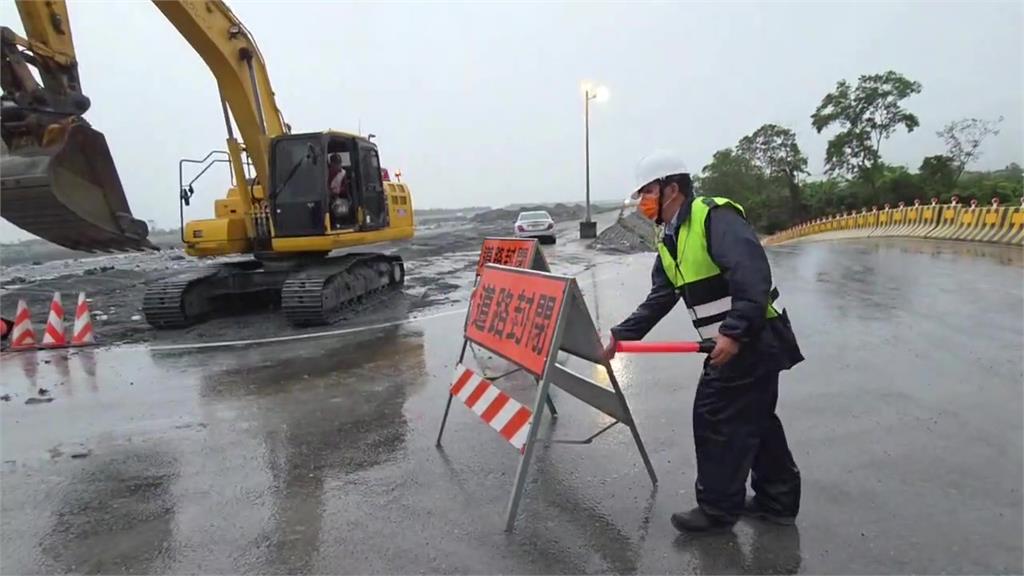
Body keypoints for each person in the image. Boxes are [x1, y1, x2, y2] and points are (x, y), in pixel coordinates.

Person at [603, 150, 804, 533]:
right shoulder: (669, 236)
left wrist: (733, 332)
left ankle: (716, 509)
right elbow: (661, 296)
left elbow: (752, 273)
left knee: (716, 418)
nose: (643, 201)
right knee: (755, 420)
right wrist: (620, 335)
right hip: (740, 341)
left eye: (648, 191)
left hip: (753, 340)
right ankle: (777, 502)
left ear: (671, 189)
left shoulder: (713, 217)